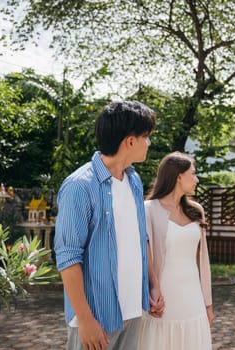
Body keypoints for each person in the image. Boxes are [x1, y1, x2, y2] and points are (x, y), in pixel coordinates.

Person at [54, 100, 163, 350]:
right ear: (130, 141)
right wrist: (85, 319)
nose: (149, 143)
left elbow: (140, 238)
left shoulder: (134, 181)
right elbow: (68, 257)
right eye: (146, 136)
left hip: (132, 309)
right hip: (96, 316)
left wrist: (153, 285)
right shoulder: (79, 186)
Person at [139, 152, 213, 350]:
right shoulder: (148, 209)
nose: (196, 179)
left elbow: (203, 260)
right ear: (178, 176)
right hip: (162, 298)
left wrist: (208, 303)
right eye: (193, 173)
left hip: (193, 297)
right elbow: (143, 255)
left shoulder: (196, 210)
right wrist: (149, 292)